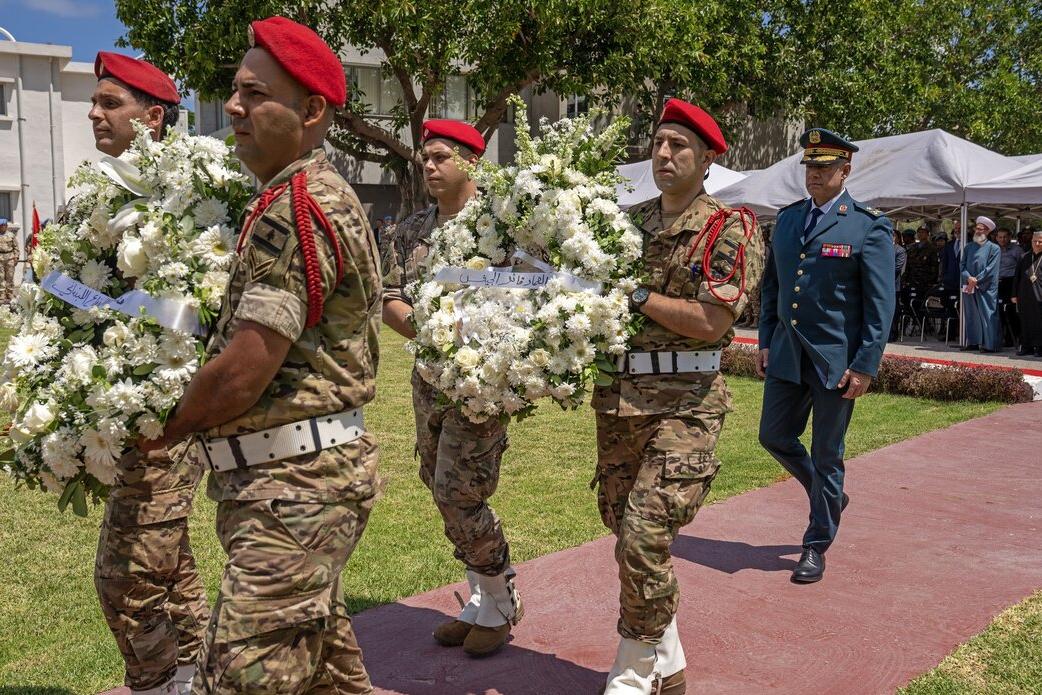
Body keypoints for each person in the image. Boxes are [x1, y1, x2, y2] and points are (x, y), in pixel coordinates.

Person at [139, 16, 382, 693]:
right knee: (325, 674)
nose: (235, 107)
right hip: (295, 482)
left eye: (255, 94)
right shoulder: (290, 196)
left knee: (242, 676)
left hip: (295, 489)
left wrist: (165, 422)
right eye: (235, 91)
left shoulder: (296, 206)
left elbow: (247, 367)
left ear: (310, 111)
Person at [592, 98, 764, 695]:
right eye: (659, 143)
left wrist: (634, 294)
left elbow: (713, 322)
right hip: (619, 403)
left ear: (708, 158)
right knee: (622, 526)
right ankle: (667, 653)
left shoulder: (729, 228)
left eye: (679, 146)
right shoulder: (624, 225)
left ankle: (635, 666)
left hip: (686, 405)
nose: (663, 155)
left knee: (644, 535)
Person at [89, 52, 208, 695]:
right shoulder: (102, 193)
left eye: (111, 103)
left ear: (151, 117)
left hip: (172, 410)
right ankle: (195, 676)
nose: (94, 114)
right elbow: (77, 292)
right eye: (96, 102)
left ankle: (161, 682)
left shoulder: (191, 197)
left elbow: (201, 307)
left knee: (127, 578)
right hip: (120, 410)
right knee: (172, 567)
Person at [381, 119, 522, 657]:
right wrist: (433, 332)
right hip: (429, 377)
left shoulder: (503, 228)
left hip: (481, 385)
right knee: (435, 481)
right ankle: (484, 596)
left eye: (441, 156)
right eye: (426, 157)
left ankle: (500, 598)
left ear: (472, 162)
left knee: (458, 492)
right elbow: (392, 296)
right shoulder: (413, 229)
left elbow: (533, 294)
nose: (429, 166)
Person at [757, 127, 895, 584]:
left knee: (827, 453)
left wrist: (866, 363)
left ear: (845, 169)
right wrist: (763, 340)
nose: (813, 175)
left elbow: (880, 304)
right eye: (809, 167)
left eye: (823, 167)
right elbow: (772, 287)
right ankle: (829, 494)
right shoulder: (788, 220)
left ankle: (815, 544)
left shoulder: (867, 225)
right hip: (787, 355)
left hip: (837, 360)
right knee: (774, 436)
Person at [960, 216, 1001, 353]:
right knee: (971, 314)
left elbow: (991, 268)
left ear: (988, 231)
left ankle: (989, 345)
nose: (977, 231)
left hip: (986, 287)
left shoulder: (994, 248)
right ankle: (973, 342)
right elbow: (962, 265)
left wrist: (976, 280)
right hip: (969, 285)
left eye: (980, 229)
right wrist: (968, 278)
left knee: (987, 314)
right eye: (976, 229)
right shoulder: (968, 247)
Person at [1012, 230, 1042, 356]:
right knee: (1025, 321)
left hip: (1039, 295)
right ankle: (1026, 346)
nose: (1037, 243)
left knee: (1039, 322)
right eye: (1035, 241)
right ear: (1031, 241)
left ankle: (1040, 347)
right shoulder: (1024, 257)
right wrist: (1014, 294)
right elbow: (1016, 277)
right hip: (1024, 294)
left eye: (1040, 241)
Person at [996, 227, 1023, 346]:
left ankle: (1011, 338)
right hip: (997, 283)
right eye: (1000, 237)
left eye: (1005, 237)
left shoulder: (1017, 250)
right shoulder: (994, 249)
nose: (1002, 239)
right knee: (999, 311)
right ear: (996, 238)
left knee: (1010, 311)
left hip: (1010, 282)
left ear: (1010, 237)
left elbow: (1022, 268)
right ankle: (999, 337)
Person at [905, 225, 939, 296]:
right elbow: (908, 264)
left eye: (923, 232)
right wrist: (906, 278)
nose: (920, 234)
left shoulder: (932, 248)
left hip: (924, 281)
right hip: (912, 280)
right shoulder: (912, 247)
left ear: (927, 234)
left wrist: (931, 281)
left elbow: (934, 266)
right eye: (919, 232)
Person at [0, 218, 16, 302]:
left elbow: (16, 247)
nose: (2, 227)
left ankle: (10, 292)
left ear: (6, 226)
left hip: (10, 257)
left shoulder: (11, 235)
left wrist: (16, 257)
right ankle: (2, 293)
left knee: (10, 276)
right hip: (0, 257)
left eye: (4, 225)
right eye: (1, 225)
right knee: (1, 277)